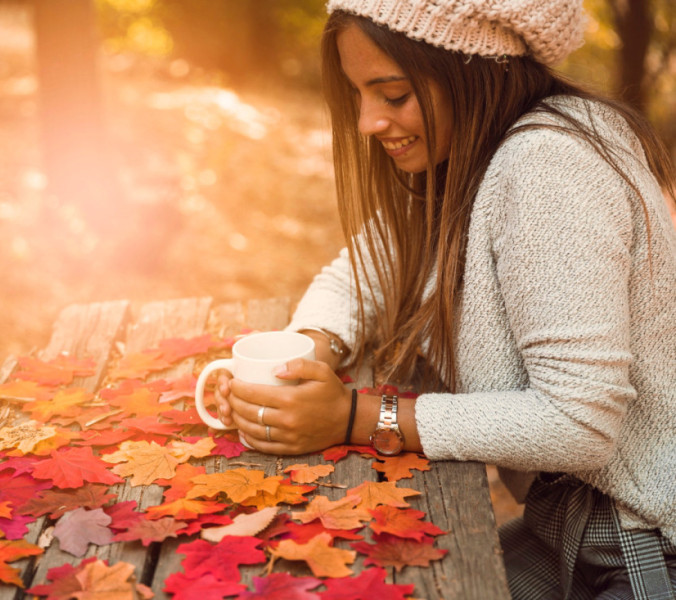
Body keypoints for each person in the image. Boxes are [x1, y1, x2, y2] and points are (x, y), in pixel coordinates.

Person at [213, 0, 676, 597]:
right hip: (564, 528)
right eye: (360, 95)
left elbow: (578, 421)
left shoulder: (549, 165)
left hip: (646, 544)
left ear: (474, 69)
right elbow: (361, 275)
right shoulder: (462, 158)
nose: (367, 123)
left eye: (393, 95)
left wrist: (355, 417)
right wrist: (300, 359)